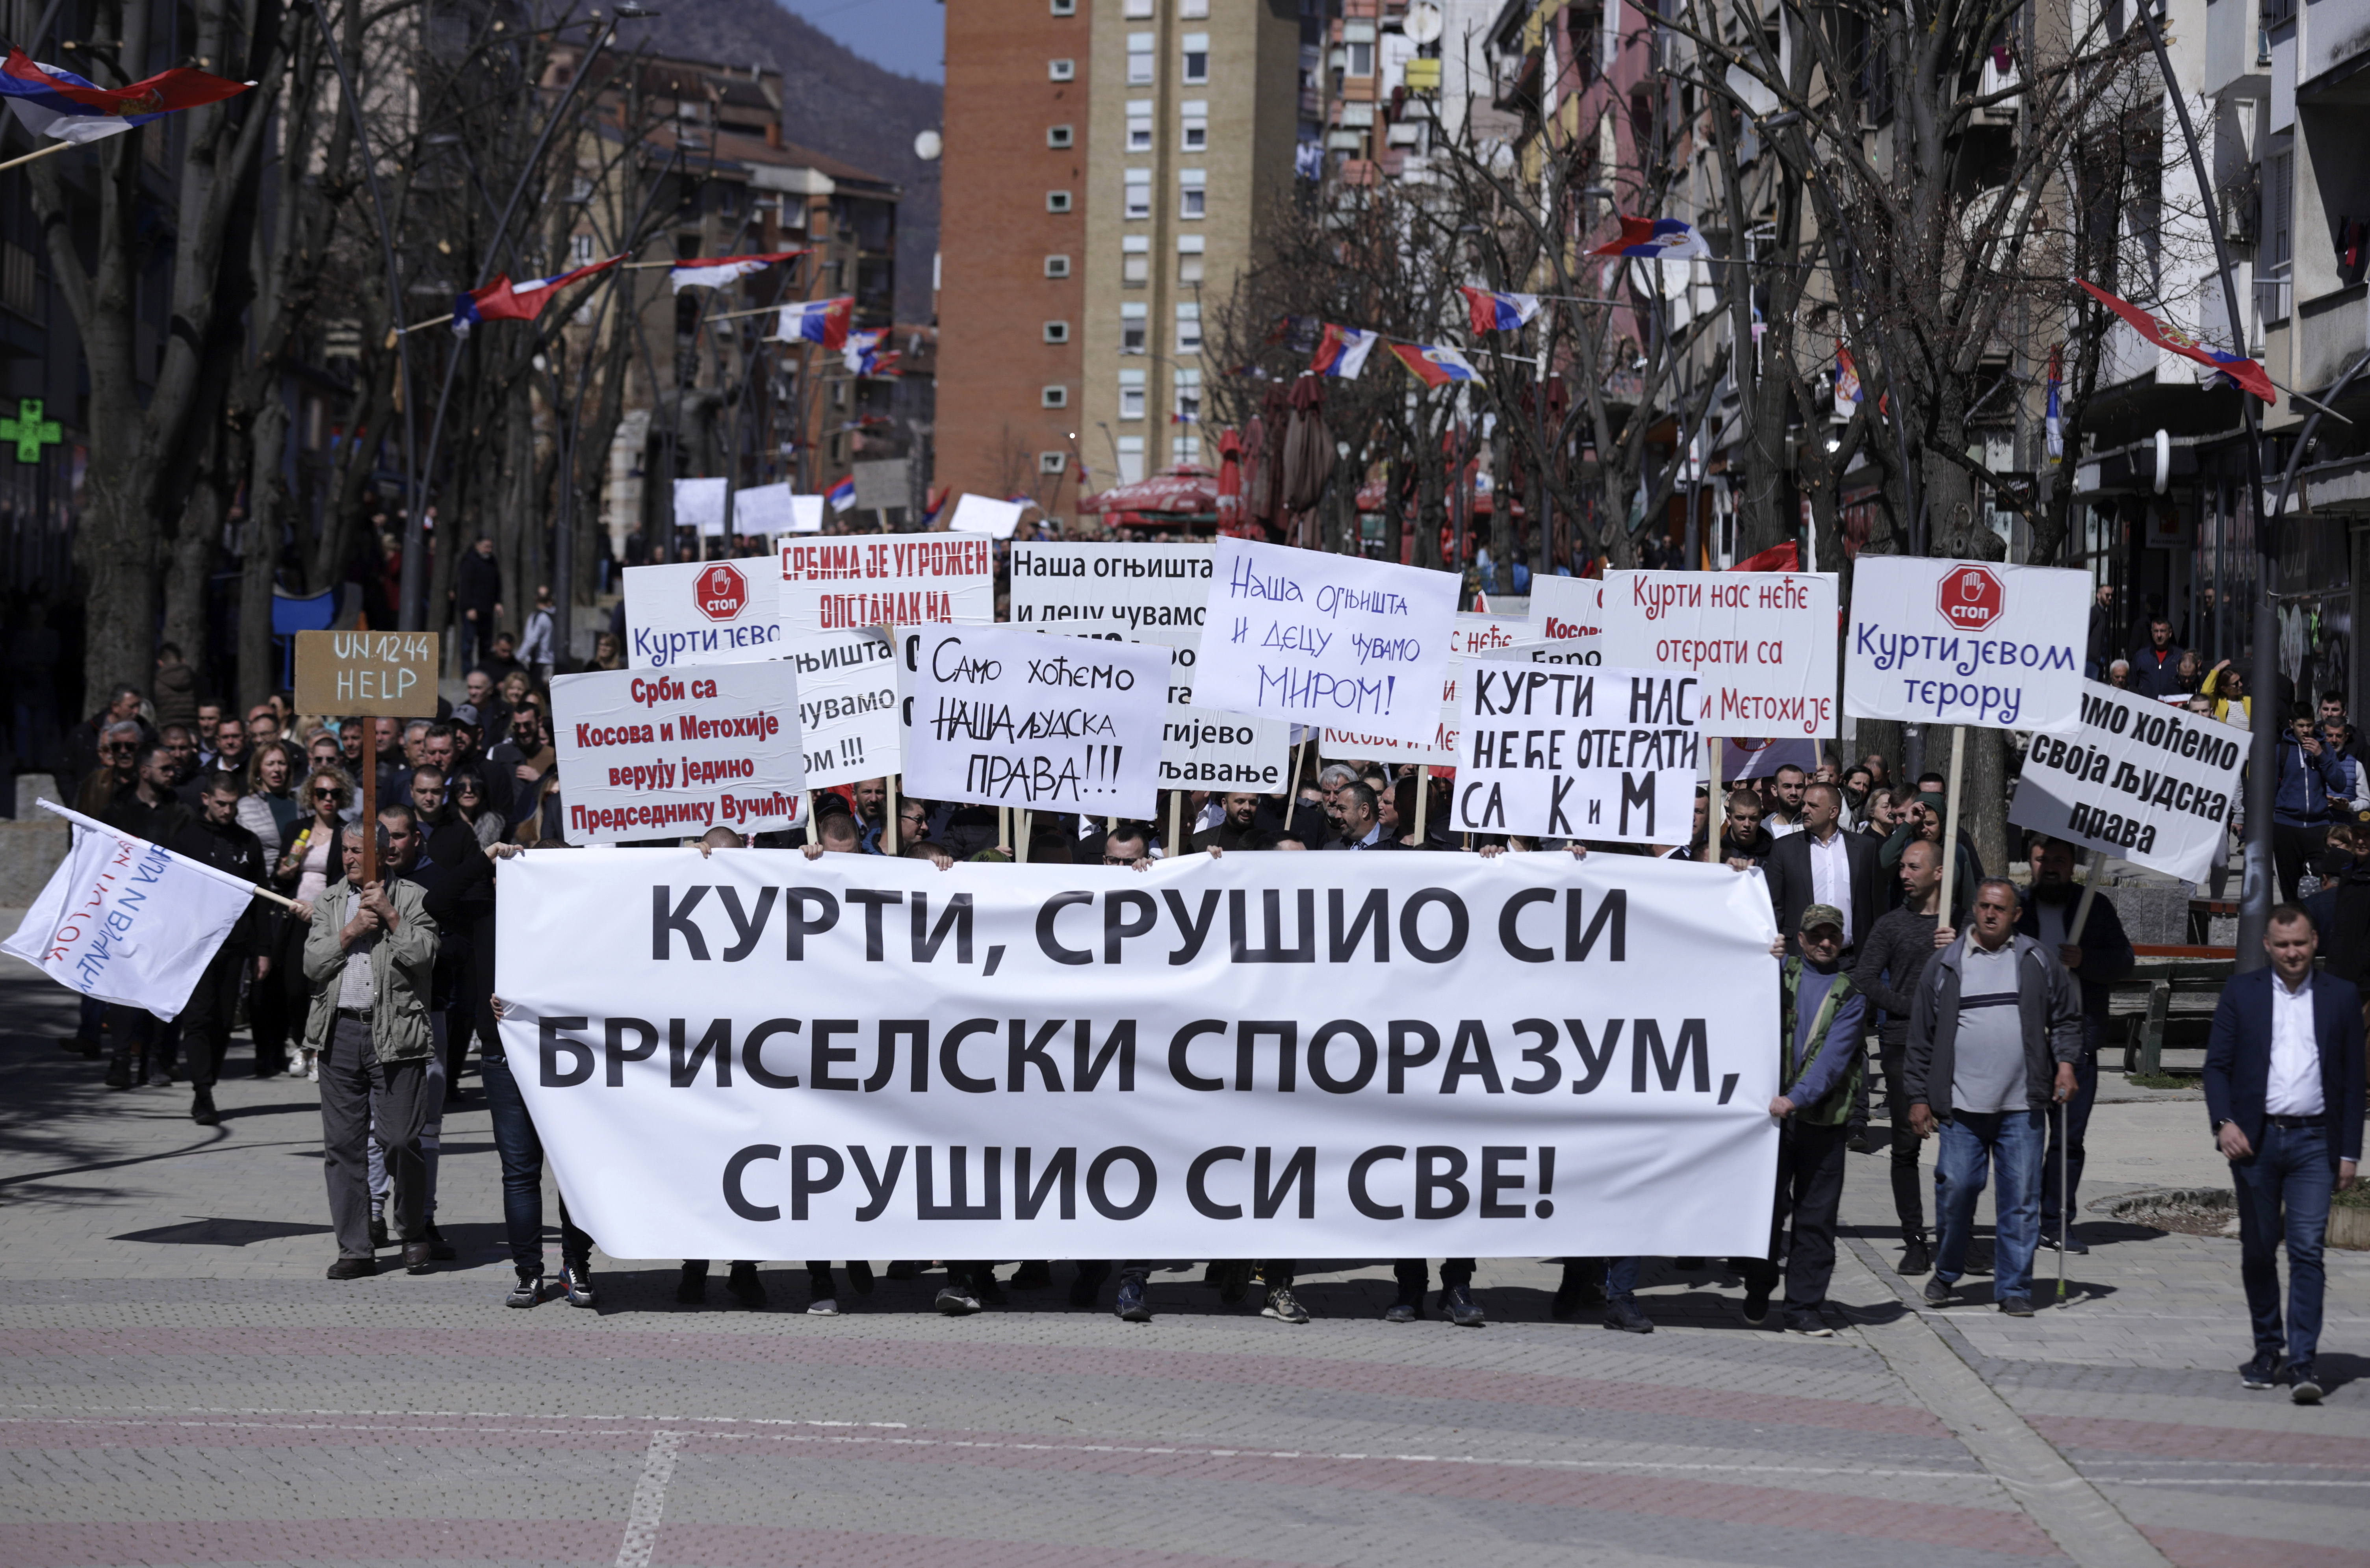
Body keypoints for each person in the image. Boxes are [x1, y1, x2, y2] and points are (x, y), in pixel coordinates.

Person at [2205, 905, 2366, 1401]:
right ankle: (2266, 1349)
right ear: (2267, 946)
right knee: (2257, 1252)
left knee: (2305, 1252)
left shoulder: (2340, 997)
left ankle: (2302, 1362)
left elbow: (2352, 1081)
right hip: (2255, 1142)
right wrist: (2223, 1122)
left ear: (2313, 941)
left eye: (2299, 943)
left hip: (2314, 1144)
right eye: (2282, 944)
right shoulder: (2242, 993)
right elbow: (2216, 1068)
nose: (2292, 953)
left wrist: (2348, 1153)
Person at [1904, 878, 2082, 1317]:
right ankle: (1946, 1272)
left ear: (2015, 915)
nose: (1989, 914)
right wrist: (1917, 1096)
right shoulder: (1945, 964)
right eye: (1983, 906)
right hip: (1961, 1107)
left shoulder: (2036, 959)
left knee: (2020, 1200)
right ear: (1973, 909)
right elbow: (1920, 1037)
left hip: (2021, 1106)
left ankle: (2014, 1288)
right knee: (1957, 1189)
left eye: (1999, 909)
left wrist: (2064, 1064)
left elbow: (2066, 1016)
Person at [303, 820, 440, 1279]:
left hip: (396, 1035)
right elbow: (312, 964)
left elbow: (425, 957)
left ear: (383, 854)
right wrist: (350, 931)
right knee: (343, 1145)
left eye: (359, 851)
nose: (349, 859)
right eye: (345, 850)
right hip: (339, 1033)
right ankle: (355, 1247)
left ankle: (412, 1229)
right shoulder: (329, 901)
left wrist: (390, 917)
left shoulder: (414, 898)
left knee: (400, 1140)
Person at [1741, 904, 1867, 1334]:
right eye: (1816, 936)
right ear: (1800, 939)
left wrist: (1793, 1100)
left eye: (1832, 935)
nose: (1825, 943)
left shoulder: (1851, 994)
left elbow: (1832, 1062)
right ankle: (1758, 1285)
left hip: (1821, 1123)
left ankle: (1802, 1308)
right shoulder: (1778, 973)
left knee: (1815, 1221)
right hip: (1769, 1124)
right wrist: (1763, 953)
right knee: (1764, 1213)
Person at [2019, 836, 2136, 1255]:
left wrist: (2084, 959)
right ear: (2030, 862)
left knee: (2068, 1141)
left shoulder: (2094, 908)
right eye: (2041, 859)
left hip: (2077, 1045)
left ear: (2072, 866)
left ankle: (2057, 1222)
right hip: (2026, 1046)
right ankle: (2023, 1218)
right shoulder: (2018, 909)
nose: (2049, 866)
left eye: (2058, 860)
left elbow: (2123, 960)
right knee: (2024, 1140)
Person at [1852, 839, 1956, 1273]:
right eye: (1902, 868)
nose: (1904, 874)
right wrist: (1907, 1005)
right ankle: (1914, 1239)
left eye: (1914, 867)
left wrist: (1958, 950)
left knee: (1958, 1149)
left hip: (1951, 1047)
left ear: (1937, 873)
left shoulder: (1961, 925)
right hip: (1900, 1044)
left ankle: (1955, 1235)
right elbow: (1863, 977)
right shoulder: (1891, 925)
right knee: (1904, 1147)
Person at [169, 775, 270, 1123]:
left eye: (232, 804)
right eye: (220, 803)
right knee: (198, 1017)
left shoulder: (248, 842)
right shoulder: (186, 840)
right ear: (206, 799)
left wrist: (263, 950)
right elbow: (173, 896)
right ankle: (202, 1092)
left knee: (224, 1020)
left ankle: (208, 1079)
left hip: (236, 945)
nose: (227, 811)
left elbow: (260, 901)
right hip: (196, 945)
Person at [277, 767, 354, 1080]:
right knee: (294, 988)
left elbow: (346, 876)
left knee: (320, 988)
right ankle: (301, 1043)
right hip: (295, 916)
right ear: (311, 796)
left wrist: (320, 906)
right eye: (321, 793)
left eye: (334, 793)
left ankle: (320, 1049)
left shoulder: (346, 832)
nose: (328, 799)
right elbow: (281, 873)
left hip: (328, 918)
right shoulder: (297, 829)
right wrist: (283, 872)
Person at [1764, 782, 1885, 959]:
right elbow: (1774, 908)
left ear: (1833, 812)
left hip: (1853, 961)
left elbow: (1877, 907)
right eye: (1804, 804)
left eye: (1813, 806)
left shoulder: (1865, 848)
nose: (1804, 810)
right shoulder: (1784, 849)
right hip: (1800, 961)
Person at [2273, 711, 2347, 904]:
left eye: (2309, 725)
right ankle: (2294, 928)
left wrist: (2321, 756)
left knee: (2325, 880)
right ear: (2292, 725)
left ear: (2315, 724)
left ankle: (2320, 923)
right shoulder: (2282, 750)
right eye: (2300, 726)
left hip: (2319, 825)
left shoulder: (2324, 748)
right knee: (2290, 888)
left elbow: (2340, 783)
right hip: (2286, 825)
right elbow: (2269, 790)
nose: (2306, 730)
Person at [455, 535, 504, 672]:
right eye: (486, 547)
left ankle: (484, 671)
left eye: (491, 547)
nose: (489, 550)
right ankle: (467, 672)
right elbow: (465, 586)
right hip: (472, 609)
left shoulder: (492, 561)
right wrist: (469, 608)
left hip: (487, 608)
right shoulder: (470, 561)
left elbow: (497, 584)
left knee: (486, 644)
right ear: (478, 545)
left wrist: (498, 602)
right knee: (468, 644)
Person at [74, 720, 143, 816]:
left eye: (130, 746)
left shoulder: (151, 780)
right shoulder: (95, 781)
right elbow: (78, 820)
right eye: (116, 747)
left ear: (140, 747)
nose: (123, 751)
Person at [1318, 781, 1394, 851]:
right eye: (1337, 809)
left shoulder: (1397, 841)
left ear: (1364, 810)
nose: (1337, 816)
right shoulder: (1331, 850)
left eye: (1343, 809)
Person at [1193, 791, 1271, 853]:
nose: (1247, 808)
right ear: (1225, 804)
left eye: (1253, 802)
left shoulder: (1270, 844)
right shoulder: (1197, 842)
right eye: (1240, 802)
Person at [2129, 617, 2186, 699]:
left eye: (2163, 631)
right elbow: (2132, 684)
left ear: (2170, 633)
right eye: (2156, 631)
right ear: (2152, 633)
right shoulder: (2141, 657)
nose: (2159, 635)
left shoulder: (2180, 656)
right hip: (2146, 706)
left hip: (2172, 706)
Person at [517, 585, 557, 685]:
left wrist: (517, 658)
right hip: (552, 663)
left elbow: (531, 641)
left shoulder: (538, 617)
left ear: (535, 599)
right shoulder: (557, 615)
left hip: (540, 665)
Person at [1763, 764, 1808, 834]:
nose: (1794, 792)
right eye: (1787, 787)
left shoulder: (1815, 825)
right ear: (1775, 790)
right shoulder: (1761, 831)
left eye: (1799, 787)